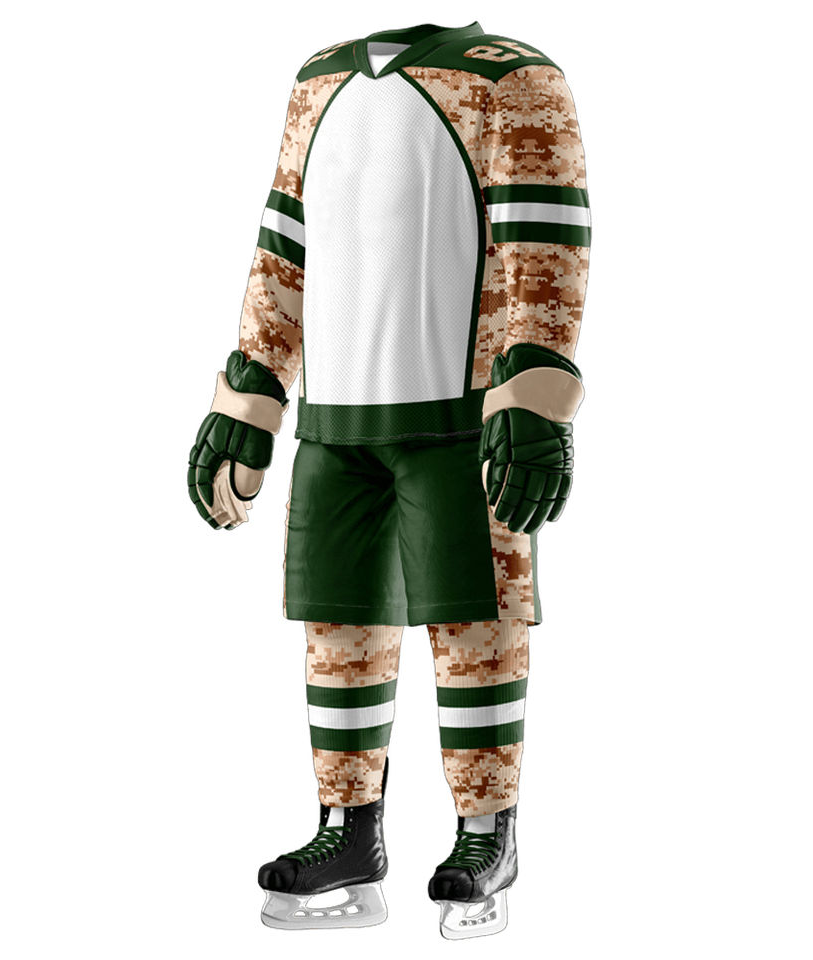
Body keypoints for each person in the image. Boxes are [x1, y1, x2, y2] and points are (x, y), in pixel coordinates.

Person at [188, 21, 590, 939]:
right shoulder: (315, 79)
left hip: (461, 414)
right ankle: (349, 831)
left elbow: (545, 234)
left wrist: (534, 386)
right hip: (336, 420)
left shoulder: (514, 78)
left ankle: (488, 833)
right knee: (339, 624)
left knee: (475, 621)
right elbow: (283, 245)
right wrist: (252, 392)